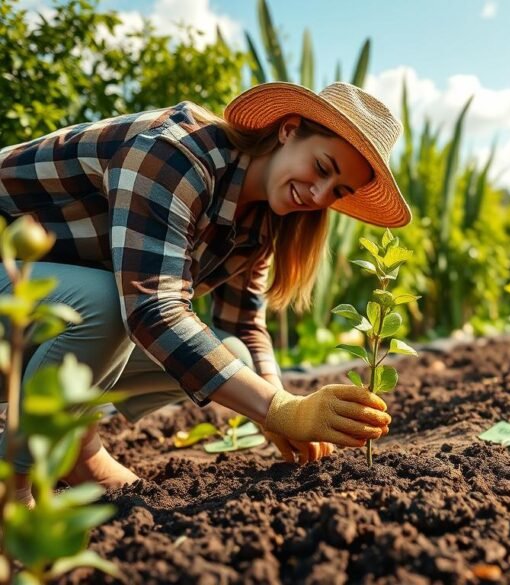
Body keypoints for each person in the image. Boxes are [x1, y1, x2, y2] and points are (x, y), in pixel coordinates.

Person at [0, 82, 410, 506]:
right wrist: (279, 406)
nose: (320, 196)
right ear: (289, 130)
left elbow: (243, 324)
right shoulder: (176, 152)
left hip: (32, 320)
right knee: (107, 302)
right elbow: (151, 310)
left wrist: (280, 408)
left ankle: (74, 451)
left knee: (232, 351)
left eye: (338, 192)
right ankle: (11, 485)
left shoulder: (261, 219)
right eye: (322, 168)